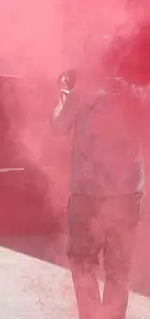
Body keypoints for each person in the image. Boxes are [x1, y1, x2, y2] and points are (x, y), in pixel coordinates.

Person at [51, 55, 147, 319]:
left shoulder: (83, 92)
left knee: (84, 263)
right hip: (128, 194)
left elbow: (59, 126)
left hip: (88, 193)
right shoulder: (139, 92)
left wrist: (64, 91)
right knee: (119, 270)